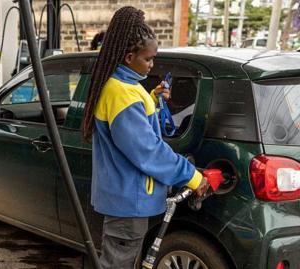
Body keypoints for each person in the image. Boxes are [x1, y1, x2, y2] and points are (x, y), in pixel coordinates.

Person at [81, 6, 209, 269]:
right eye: (148, 59)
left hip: (128, 198)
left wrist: (152, 100)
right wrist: (192, 176)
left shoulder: (125, 85)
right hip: (129, 202)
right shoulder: (121, 93)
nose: (152, 65)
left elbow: (134, 126)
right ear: (129, 57)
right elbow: (147, 150)